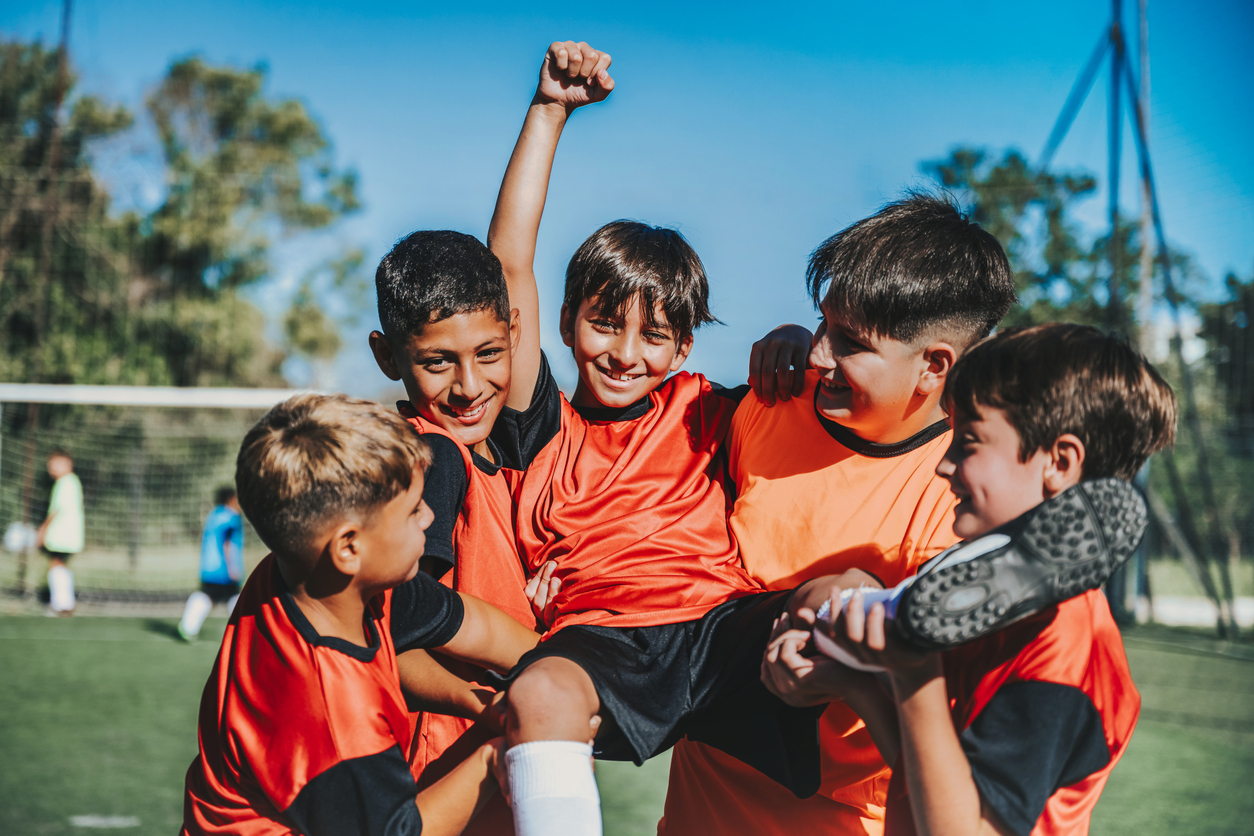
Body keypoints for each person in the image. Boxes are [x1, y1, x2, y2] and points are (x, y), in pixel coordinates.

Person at [484, 41, 852, 836]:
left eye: (654, 336)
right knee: (536, 696)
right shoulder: (540, 421)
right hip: (599, 642)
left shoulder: (708, 407)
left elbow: (840, 378)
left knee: (841, 596)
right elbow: (508, 265)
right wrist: (549, 112)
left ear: (683, 349)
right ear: (564, 322)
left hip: (721, 630)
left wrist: (794, 335)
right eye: (605, 323)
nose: (625, 352)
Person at [661, 194, 1020, 835]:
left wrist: (842, 660)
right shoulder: (764, 408)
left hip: (849, 817)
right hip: (700, 798)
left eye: (850, 343)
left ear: (934, 366)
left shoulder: (965, 492)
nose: (820, 354)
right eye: (819, 323)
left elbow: (941, 686)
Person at [762, 323, 1176, 836]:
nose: (944, 465)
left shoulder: (1065, 635)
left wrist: (914, 673)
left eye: (969, 442)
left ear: (1059, 462)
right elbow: (928, 774)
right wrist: (858, 686)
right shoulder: (982, 595)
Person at [182, 393, 542, 836]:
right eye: (413, 510)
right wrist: (501, 753)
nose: (430, 516)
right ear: (349, 546)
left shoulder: (314, 579)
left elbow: (463, 621)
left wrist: (496, 694)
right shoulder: (331, 717)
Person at [178, 487, 245, 641]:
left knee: (213, 596)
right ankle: (243, 631)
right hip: (223, 569)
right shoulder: (231, 517)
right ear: (230, 500)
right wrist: (232, 568)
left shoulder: (214, 514)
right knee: (233, 597)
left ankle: (188, 627)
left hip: (209, 567)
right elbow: (227, 544)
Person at [38, 449, 83, 616]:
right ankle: (66, 603)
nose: (52, 468)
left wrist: (43, 528)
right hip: (70, 535)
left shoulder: (65, 482)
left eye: (55, 464)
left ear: (68, 464)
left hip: (62, 534)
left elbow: (56, 509)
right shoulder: (73, 482)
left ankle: (59, 604)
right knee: (61, 565)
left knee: (55, 564)